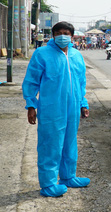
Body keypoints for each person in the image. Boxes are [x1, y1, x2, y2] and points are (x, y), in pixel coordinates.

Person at [22, 21, 90, 198]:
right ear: (53, 35)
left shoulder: (76, 55)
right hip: (52, 108)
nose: (62, 36)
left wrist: (83, 104)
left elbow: (81, 82)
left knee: (69, 142)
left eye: (66, 33)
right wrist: (31, 105)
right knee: (50, 144)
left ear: (72, 36)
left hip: (73, 107)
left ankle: (68, 177)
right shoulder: (42, 54)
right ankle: (48, 184)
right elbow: (31, 81)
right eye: (58, 33)